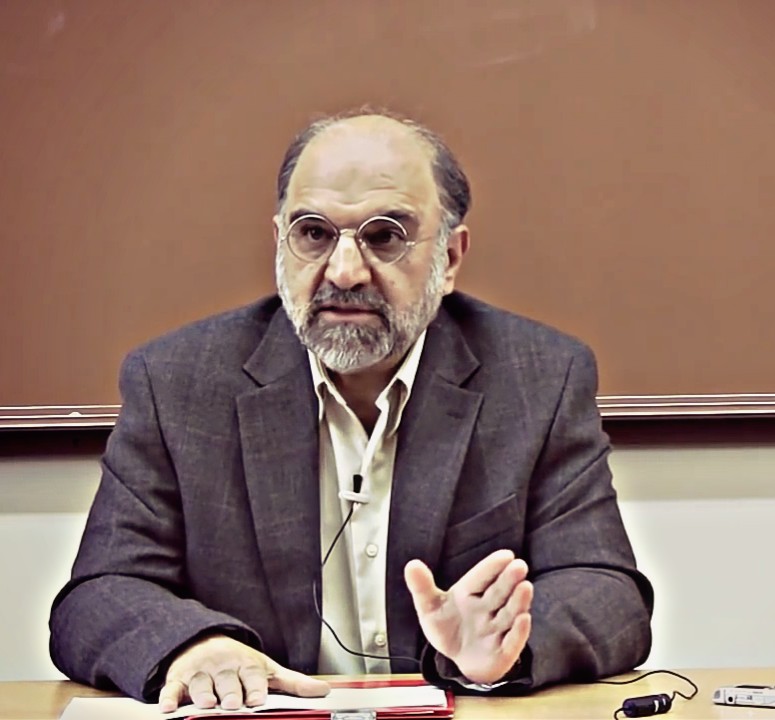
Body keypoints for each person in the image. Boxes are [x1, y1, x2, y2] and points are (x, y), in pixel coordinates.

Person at [49, 110, 653, 712]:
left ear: (450, 258)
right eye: (313, 233)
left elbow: (608, 593)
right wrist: (194, 646)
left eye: (385, 236)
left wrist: (505, 646)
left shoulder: (538, 377)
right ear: (280, 242)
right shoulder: (178, 382)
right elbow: (97, 595)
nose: (344, 271)